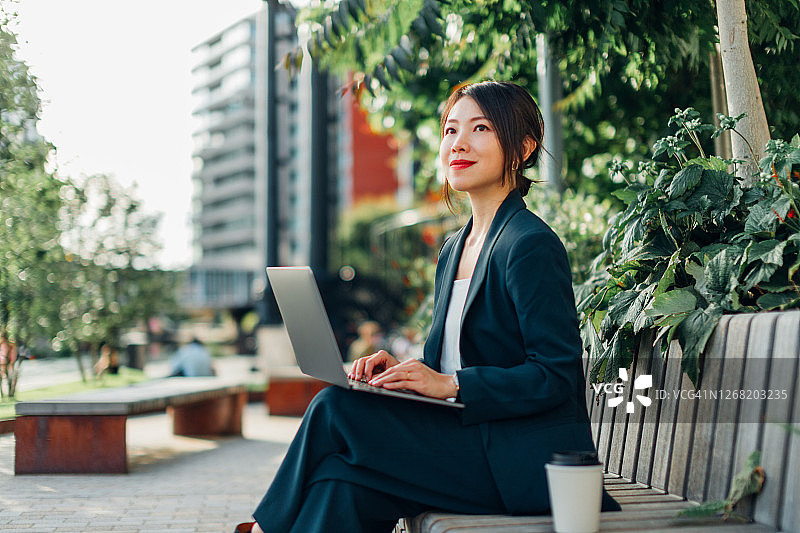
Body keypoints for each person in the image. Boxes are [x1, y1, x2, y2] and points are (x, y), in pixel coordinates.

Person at [234, 81, 619, 533]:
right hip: (460, 439)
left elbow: (555, 376)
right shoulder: (454, 248)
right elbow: (451, 361)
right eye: (451, 130)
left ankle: (260, 530)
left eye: (480, 129)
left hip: (518, 462)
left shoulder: (529, 244)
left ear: (523, 148)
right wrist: (404, 372)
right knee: (338, 482)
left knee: (335, 408)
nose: (459, 143)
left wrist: (452, 385)